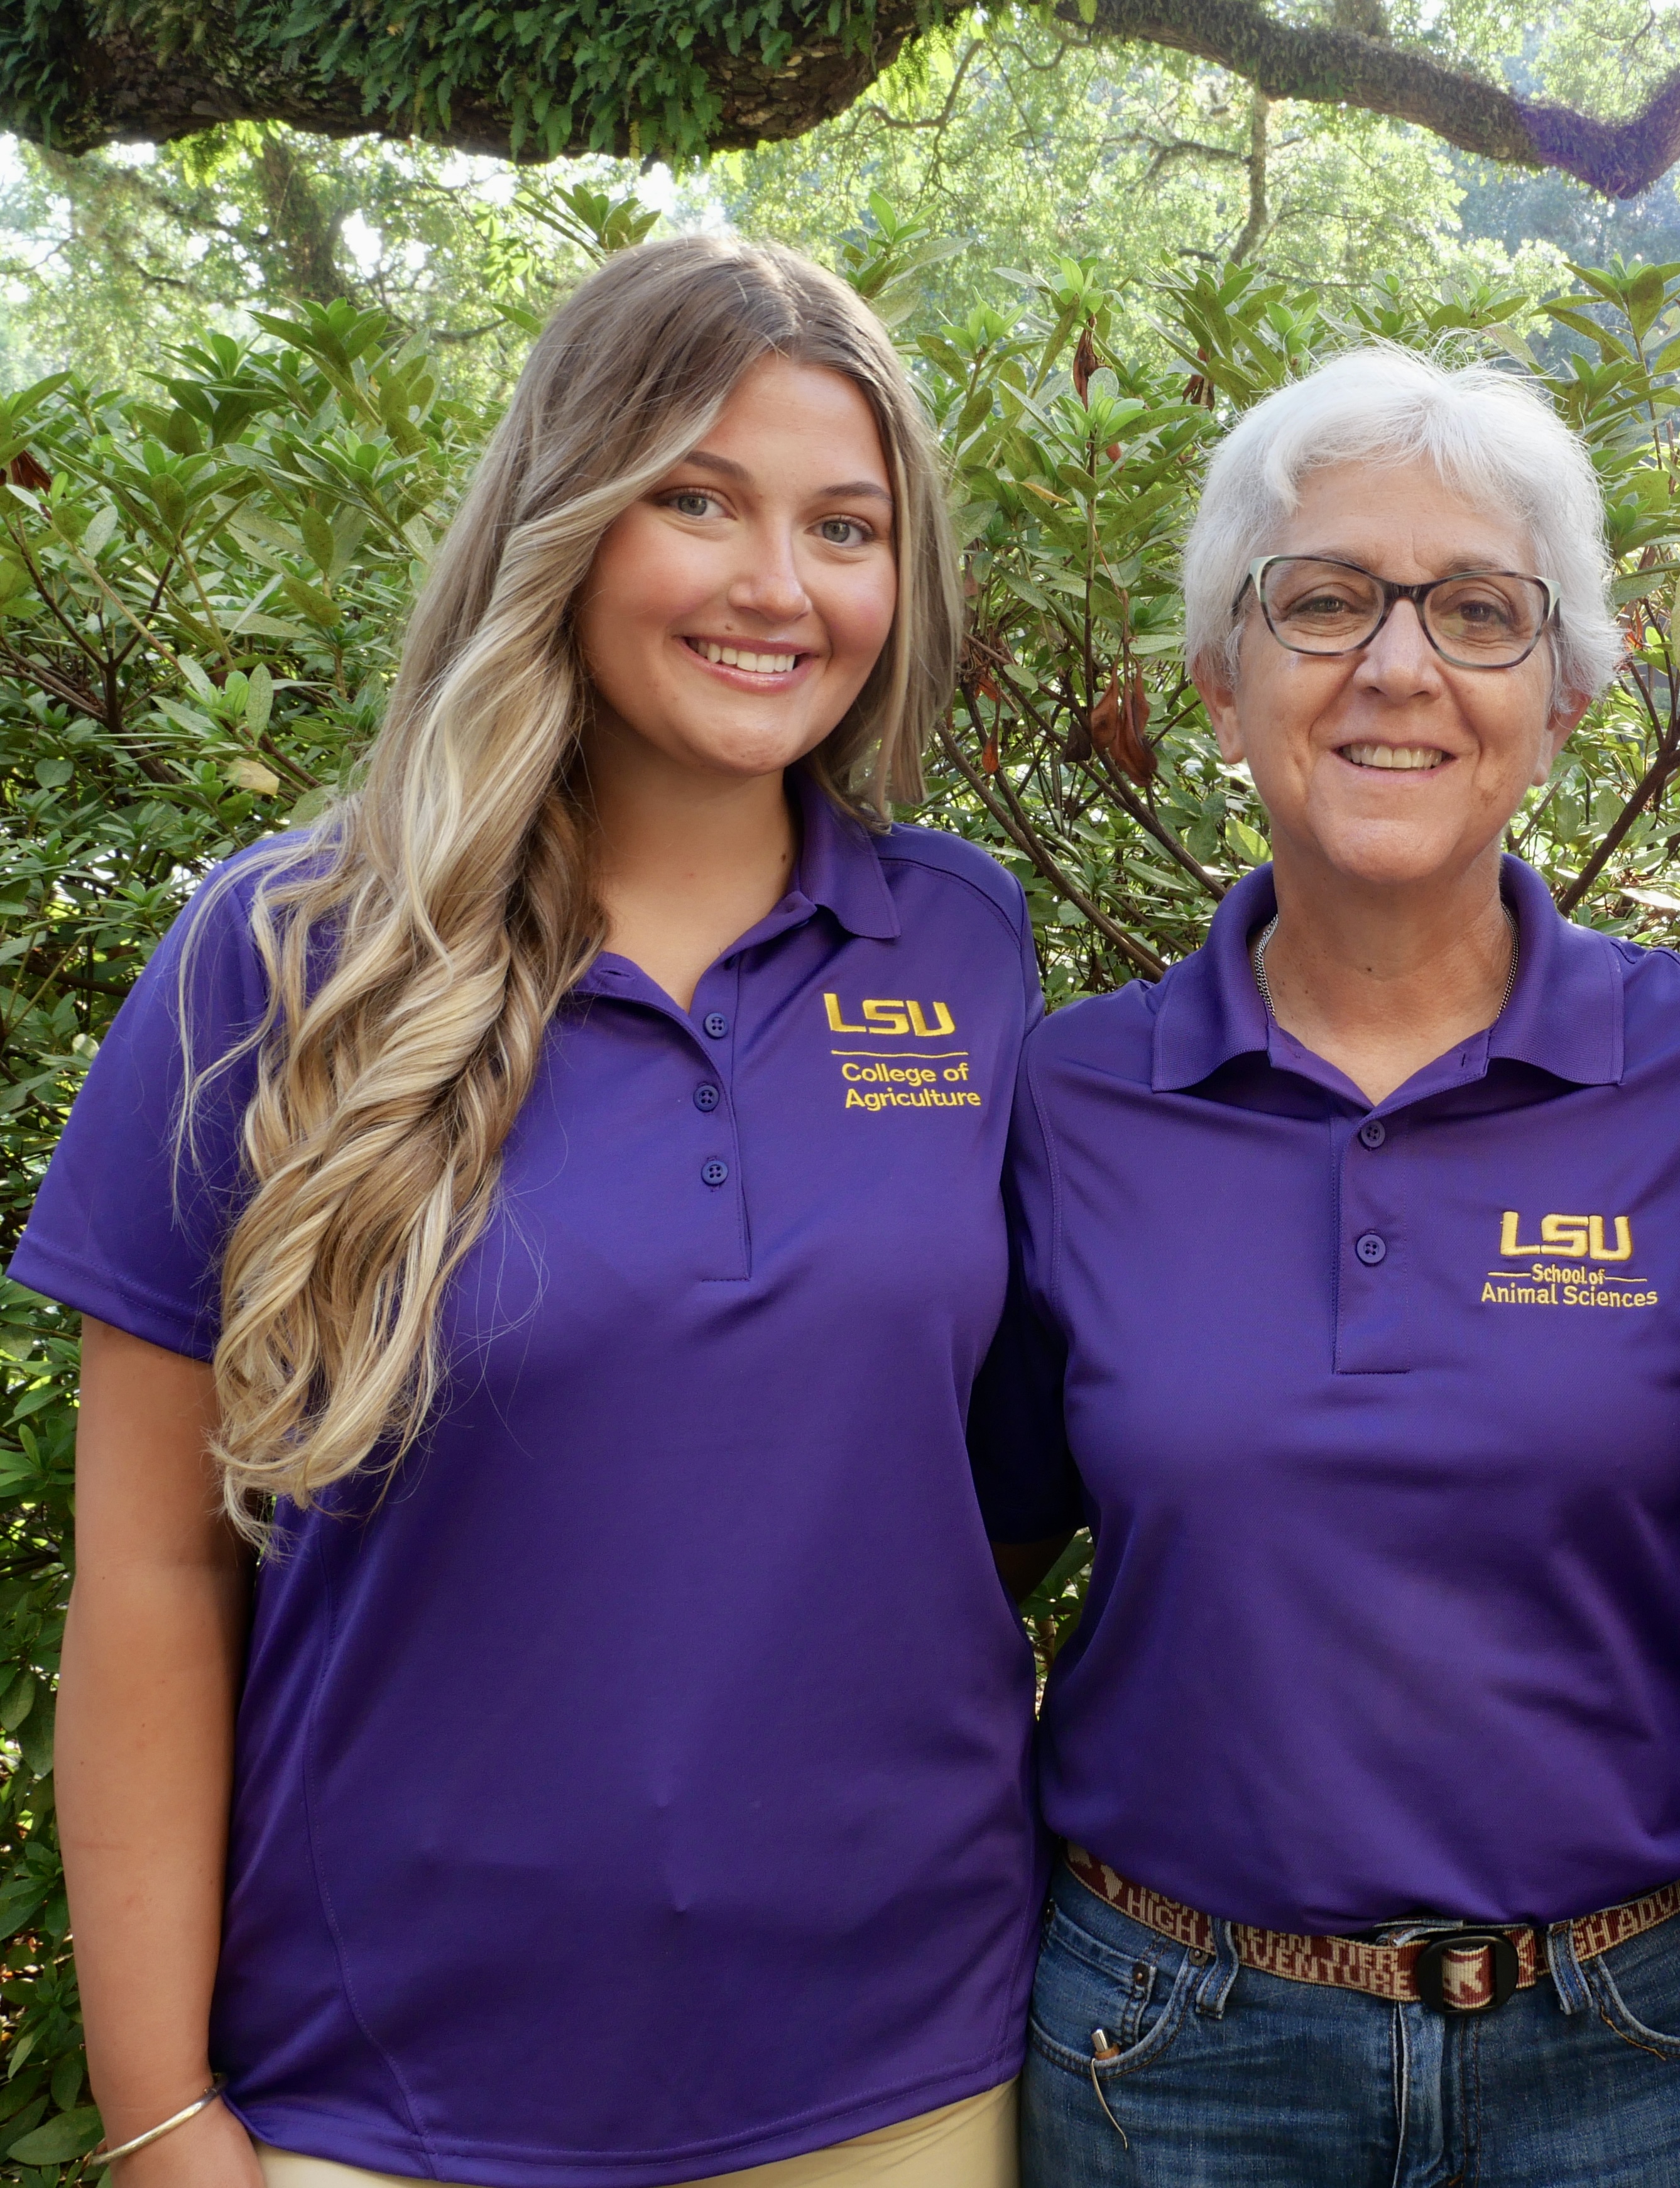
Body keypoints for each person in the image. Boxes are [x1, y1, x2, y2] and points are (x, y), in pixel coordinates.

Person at [21, 238, 1045, 2188]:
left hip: (905, 2077)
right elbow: (152, 1573)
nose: (779, 584)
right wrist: (163, 2117)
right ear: (564, 516)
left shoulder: (964, 943)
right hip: (394, 2100)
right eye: (698, 499)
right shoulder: (286, 954)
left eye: (847, 525)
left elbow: (955, 1494)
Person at [983, 345, 1680, 2187]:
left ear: (1567, 691)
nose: (1395, 663)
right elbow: (963, 1572)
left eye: (1474, 610)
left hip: (1648, 2046)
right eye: (1322, 600)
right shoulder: (1068, 1097)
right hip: (1171, 2050)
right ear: (1221, 681)